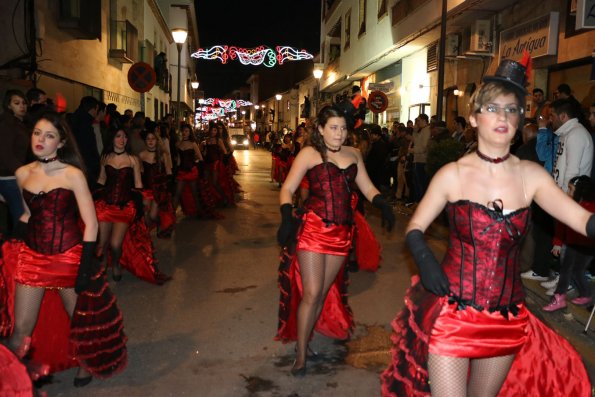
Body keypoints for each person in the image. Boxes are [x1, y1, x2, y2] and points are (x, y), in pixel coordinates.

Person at [381, 59, 593, 396]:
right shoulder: (453, 173)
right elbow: (416, 226)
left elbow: (583, 221)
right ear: (476, 116)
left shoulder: (532, 176)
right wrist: (425, 258)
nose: (503, 117)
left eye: (511, 109)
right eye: (492, 107)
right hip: (453, 311)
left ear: (520, 119)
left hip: (505, 320)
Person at [5, 111, 126, 387]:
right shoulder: (22, 173)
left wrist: (85, 266)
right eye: (37, 133)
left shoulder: (72, 174)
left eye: (49, 135)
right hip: (32, 257)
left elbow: (91, 223)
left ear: (60, 143)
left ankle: (84, 363)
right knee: (20, 328)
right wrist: (12, 237)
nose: (41, 139)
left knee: (79, 320)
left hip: (68, 256)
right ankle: (14, 382)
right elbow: (26, 215)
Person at [275, 105, 395, 377]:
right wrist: (285, 215)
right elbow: (288, 188)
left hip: (342, 235)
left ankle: (307, 338)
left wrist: (382, 203)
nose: (339, 133)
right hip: (314, 231)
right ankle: (302, 354)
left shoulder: (354, 154)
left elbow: (366, 186)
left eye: (342, 128)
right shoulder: (309, 153)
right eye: (333, 127)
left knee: (323, 293)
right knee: (312, 292)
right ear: (320, 129)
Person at [95, 127, 170, 284]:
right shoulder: (105, 157)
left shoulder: (133, 159)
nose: (122, 140)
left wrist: (142, 204)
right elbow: (101, 180)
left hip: (124, 207)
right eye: (118, 136)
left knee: (116, 244)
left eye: (124, 137)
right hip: (105, 206)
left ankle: (115, 263)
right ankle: (101, 266)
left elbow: (138, 184)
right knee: (101, 243)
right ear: (112, 139)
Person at [542, 175, 595, 310]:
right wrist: (558, 243)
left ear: (581, 192)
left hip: (587, 247)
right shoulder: (569, 204)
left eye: (571, 190)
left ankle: (586, 293)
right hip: (572, 244)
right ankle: (559, 297)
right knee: (565, 269)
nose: (568, 193)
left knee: (577, 270)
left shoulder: (591, 207)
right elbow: (562, 225)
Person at [0, 90, 28, 233]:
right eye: (17, 103)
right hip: (9, 177)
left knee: (20, 218)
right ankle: (18, 252)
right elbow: (5, 153)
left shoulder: (18, 123)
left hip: (13, 176)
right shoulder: (7, 123)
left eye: (24, 103)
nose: (22, 106)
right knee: (21, 218)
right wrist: (22, 172)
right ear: (9, 106)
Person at [139, 128, 175, 238]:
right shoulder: (141, 155)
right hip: (146, 189)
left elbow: (168, 171)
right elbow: (140, 172)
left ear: (157, 140)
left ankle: (160, 223)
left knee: (153, 215)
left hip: (159, 190)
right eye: (148, 139)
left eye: (153, 139)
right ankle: (146, 236)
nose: (150, 141)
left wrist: (168, 189)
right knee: (145, 214)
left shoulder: (162, 155)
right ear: (145, 141)